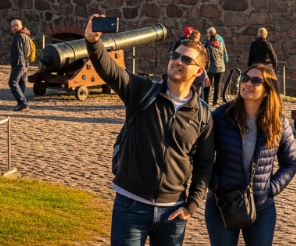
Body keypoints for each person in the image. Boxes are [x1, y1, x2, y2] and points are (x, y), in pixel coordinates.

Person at [84, 15, 213, 246]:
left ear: (199, 71)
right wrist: (93, 43)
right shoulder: (143, 91)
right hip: (130, 205)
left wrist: (191, 205)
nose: (177, 61)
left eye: (186, 59)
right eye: (175, 56)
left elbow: (204, 164)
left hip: (172, 213)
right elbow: (110, 71)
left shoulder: (203, 114)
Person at [206, 64, 296, 246]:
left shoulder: (278, 122)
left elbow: (290, 163)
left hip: (261, 207)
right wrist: (217, 184)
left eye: (256, 81)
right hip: (223, 203)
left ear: (267, 90)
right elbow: (203, 156)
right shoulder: (222, 115)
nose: (248, 83)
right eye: (245, 78)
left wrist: (270, 188)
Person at [8, 19, 32, 111]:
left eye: (15, 25)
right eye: (12, 26)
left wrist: (18, 64)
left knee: (13, 82)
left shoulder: (19, 36)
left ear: (20, 26)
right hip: (24, 63)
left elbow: (19, 52)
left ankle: (23, 103)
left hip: (19, 63)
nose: (13, 27)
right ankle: (21, 103)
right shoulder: (25, 36)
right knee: (21, 82)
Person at [204, 27, 227, 105]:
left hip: (211, 67)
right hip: (221, 66)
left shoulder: (207, 44)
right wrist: (226, 59)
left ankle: (206, 101)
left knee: (207, 84)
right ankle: (215, 100)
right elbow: (224, 52)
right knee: (217, 84)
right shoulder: (221, 42)